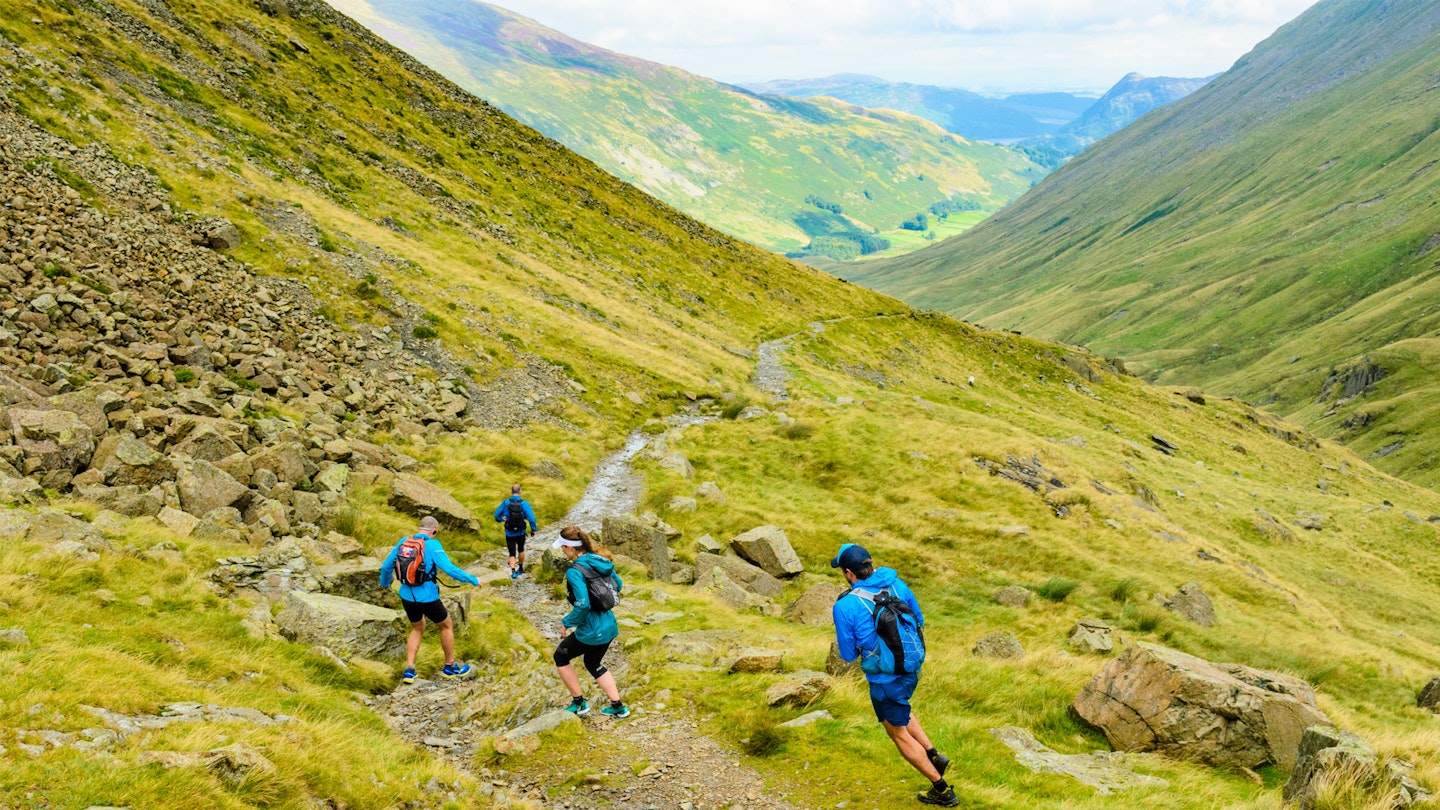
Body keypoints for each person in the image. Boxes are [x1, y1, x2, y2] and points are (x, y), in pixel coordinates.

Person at [831, 543, 957, 807]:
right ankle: (933, 754)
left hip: (883, 678)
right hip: (911, 668)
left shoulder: (846, 605)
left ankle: (942, 789)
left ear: (848, 573)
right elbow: (918, 619)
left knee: (897, 732)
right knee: (903, 707)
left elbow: (847, 655)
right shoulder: (897, 585)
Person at [379, 515, 481, 684]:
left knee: (417, 627)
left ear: (420, 528)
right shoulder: (433, 545)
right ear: (434, 531)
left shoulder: (404, 541)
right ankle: (450, 666)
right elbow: (450, 569)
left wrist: (384, 584)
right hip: (428, 597)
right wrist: (473, 580)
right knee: (446, 625)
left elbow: (385, 567)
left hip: (406, 595)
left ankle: (409, 670)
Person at [551, 525, 630, 718]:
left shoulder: (574, 571)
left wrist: (567, 622)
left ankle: (579, 703)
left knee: (561, 657)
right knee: (593, 662)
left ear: (570, 548)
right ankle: (618, 706)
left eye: (563, 547)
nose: (562, 551)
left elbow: (583, 604)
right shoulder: (599, 560)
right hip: (609, 625)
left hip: (592, 630)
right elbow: (618, 585)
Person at [493, 484, 537, 579]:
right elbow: (532, 519)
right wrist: (533, 529)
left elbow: (496, 516)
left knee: (511, 552)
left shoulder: (506, 503)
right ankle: (520, 568)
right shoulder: (525, 504)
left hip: (509, 532)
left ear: (511, 492)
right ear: (520, 492)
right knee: (521, 549)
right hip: (521, 532)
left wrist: (502, 519)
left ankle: (513, 571)